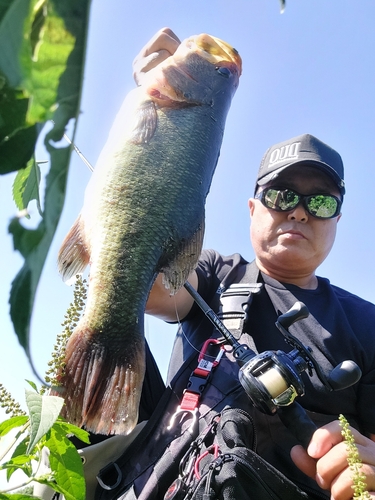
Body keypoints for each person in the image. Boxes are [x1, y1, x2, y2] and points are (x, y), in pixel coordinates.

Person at [134, 28, 375, 500]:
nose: (299, 210)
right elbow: (143, 283)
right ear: (252, 209)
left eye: (320, 202)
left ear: (338, 219)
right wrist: (154, 124)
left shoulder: (368, 323)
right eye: (280, 195)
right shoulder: (214, 272)